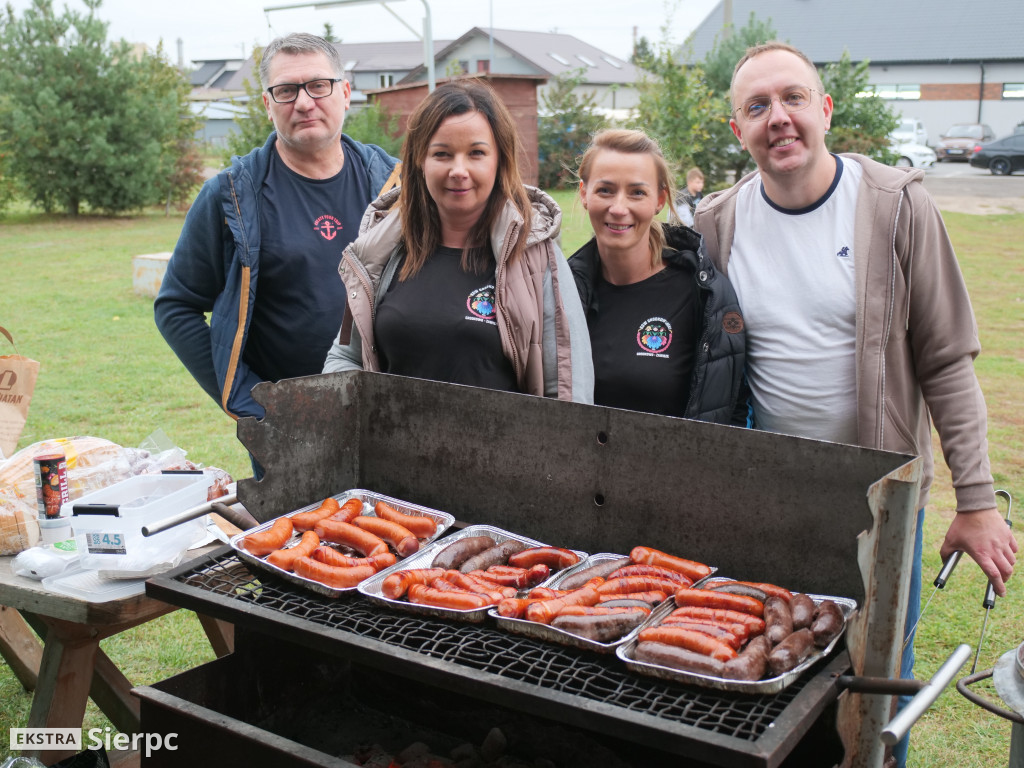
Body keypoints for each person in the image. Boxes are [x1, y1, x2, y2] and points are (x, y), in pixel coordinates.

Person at [694, 41, 1017, 767]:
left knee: (871, 700)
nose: (778, 118)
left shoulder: (895, 207)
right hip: (769, 499)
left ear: (825, 109)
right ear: (735, 128)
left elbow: (948, 360)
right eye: (757, 106)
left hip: (883, 505)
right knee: (773, 677)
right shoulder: (718, 224)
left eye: (793, 99)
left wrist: (976, 499)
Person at [155, 33, 400, 450]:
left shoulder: (396, 184)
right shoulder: (232, 195)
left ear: (345, 92)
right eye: (285, 91)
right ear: (268, 105)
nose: (304, 102)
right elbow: (176, 307)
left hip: (391, 417)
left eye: (318, 86)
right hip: (290, 432)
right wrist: (257, 408)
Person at [322, 80, 593, 403]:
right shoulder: (380, 249)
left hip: (505, 453)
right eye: (442, 154)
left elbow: (567, 392)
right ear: (421, 160)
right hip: (391, 452)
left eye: (476, 153)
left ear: (499, 161)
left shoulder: (536, 256)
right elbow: (345, 358)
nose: (458, 170)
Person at [568, 129, 747, 423]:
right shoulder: (563, 291)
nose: (619, 208)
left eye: (637, 192)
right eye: (605, 190)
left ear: (660, 199)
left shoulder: (703, 295)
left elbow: (731, 411)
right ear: (584, 193)